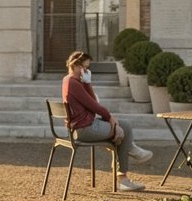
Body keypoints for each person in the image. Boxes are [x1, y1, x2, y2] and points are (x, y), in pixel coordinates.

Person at [61, 49, 144, 190]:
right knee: (124, 130)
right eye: (84, 67)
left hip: (84, 126)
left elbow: (94, 104)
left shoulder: (69, 80)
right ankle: (124, 176)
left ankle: (129, 151)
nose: (86, 71)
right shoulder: (73, 83)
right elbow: (94, 105)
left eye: (87, 68)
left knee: (124, 126)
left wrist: (87, 82)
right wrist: (111, 119)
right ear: (75, 65)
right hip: (85, 129)